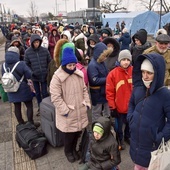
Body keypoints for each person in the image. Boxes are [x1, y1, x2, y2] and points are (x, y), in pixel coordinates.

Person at [127, 53, 170, 169]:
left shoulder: (165, 94)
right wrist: (130, 118)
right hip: (136, 143)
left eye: (149, 73)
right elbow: (131, 103)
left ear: (157, 74)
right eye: (143, 72)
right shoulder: (138, 88)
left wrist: (161, 137)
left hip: (152, 149)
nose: (145, 76)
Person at [50, 47, 91, 163]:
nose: (72, 68)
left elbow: (84, 89)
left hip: (79, 110)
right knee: (68, 135)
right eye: (69, 65)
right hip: (68, 113)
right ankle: (68, 151)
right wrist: (65, 110)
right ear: (64, 64)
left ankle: (74, 149)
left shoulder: (79, 74)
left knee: (77, 132)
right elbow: (55, 97)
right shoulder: (57, 77)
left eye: (74, 65)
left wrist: (87, 103)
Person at [1, 46, 39, 127]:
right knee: (29, 105)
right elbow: (29, 75)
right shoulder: (21, 64)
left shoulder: (3, 65)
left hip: (11, 89)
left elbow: (3, 75)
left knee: (17, 106)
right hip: (23, 88)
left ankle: (21, 123)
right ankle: (30, 123)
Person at [106, 50, 133, 150]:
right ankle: (120, 139)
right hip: (119, 107)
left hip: (131, 106)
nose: (126, 62)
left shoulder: (134, 71)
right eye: (123, 60)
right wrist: (112, 107)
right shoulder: (112, 74)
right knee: (118, 127)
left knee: (130, 124)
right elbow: (110, 92)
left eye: (127, 60)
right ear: (119, 60)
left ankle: (127, 136)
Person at [24, 34, 51, 114]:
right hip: (34, 76)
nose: (36, 44)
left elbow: (49, 62)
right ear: (32, 43)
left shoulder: (45, 50)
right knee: (37, 93)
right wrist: (31, 73)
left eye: (38, 42)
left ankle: (46, 106)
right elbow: (26, 64)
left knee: (44, 92)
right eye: (35, 42)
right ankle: (39, 106)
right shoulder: (28, 52)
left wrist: (47, 71)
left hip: (44, 75)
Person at [87, 42, 113, 122]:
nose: (105, 58)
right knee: (96, 112)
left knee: (106, 110)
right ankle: (95, 126)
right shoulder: (92, 65)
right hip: (97, 93)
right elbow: (94, 80)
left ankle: (105, 124)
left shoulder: (101, 62)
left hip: (103, 91)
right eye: (104, 56)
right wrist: (108, 78)